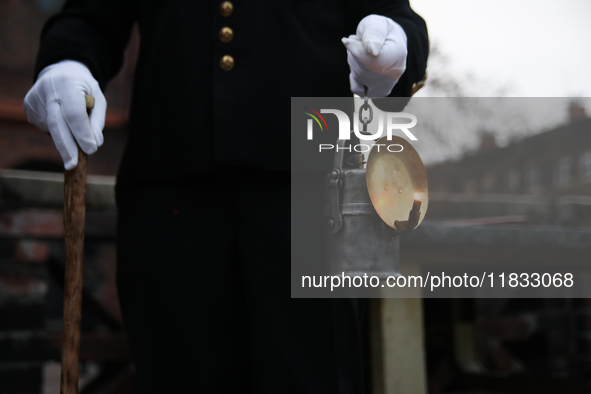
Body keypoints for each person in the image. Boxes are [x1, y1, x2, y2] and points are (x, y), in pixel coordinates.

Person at [24, 1, 428, 392]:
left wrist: (395, 46)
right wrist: (67, 61)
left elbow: (396, 17)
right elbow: (90, 17)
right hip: (171, 199)